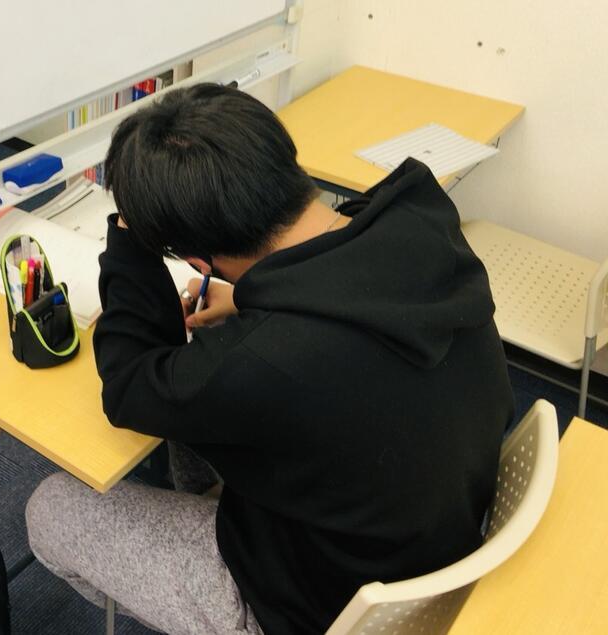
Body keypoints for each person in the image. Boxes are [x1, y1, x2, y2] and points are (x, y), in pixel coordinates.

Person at [25, 83, 513, 634]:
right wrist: (247, 298)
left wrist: (130, 238)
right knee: (197, 416)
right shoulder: (419, 219)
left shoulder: (259, 361)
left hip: (323, 606)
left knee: (50, 509)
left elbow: (128, 388)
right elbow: (339, 293)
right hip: (429, 532)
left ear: (196, 260)